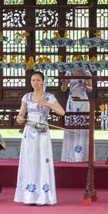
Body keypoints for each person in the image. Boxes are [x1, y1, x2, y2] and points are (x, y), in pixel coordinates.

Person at [14, 71, 65, 205]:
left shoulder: (49, 96)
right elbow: (21, 114)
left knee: (43, 160)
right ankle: (29, 195)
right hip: (29, 131)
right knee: (30, 160)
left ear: (43, 82)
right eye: (33, 80)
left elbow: (62, 112)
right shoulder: (26, 97)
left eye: (38, 80)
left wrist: (47, 104)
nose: (35, 83)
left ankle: (43, 196)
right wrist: (19, 119)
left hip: (42, 131)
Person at [60, 66, 92, 162]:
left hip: (83, 100)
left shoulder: (87, 73)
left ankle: (83, 156)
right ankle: (71, 156)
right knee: (71, 126)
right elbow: (63, 89)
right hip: (72, 101)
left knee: (84, 126)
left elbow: (90, 89)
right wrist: (64, 83)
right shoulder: (69, 72)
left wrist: (86, 85)